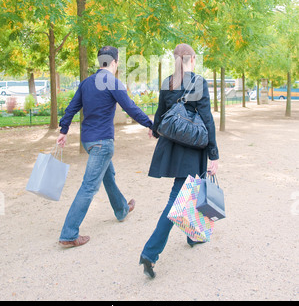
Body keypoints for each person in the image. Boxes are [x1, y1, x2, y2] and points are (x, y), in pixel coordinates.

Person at [57, 46, 153, 248]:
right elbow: (131, 108)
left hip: (89, 141)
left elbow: (72, 108)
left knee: (108, 176)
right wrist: (151, 125)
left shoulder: (86, 83)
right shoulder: (113, 82)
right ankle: (69, 233)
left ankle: (121, 210)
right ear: (115, 62)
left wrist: (63, 131)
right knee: (89, 186)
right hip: (103, 143)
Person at [139, 44, 219, 278]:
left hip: (173, 145)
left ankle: (192, 236)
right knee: (177, 199)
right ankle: (150, 252)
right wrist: (214, 154)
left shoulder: (168, 83)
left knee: (189, 191)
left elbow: (161, 114)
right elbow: (207, 119)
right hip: (192, 148)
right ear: (192, 59)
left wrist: (154, 131)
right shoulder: (199, 82)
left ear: (174, 59)